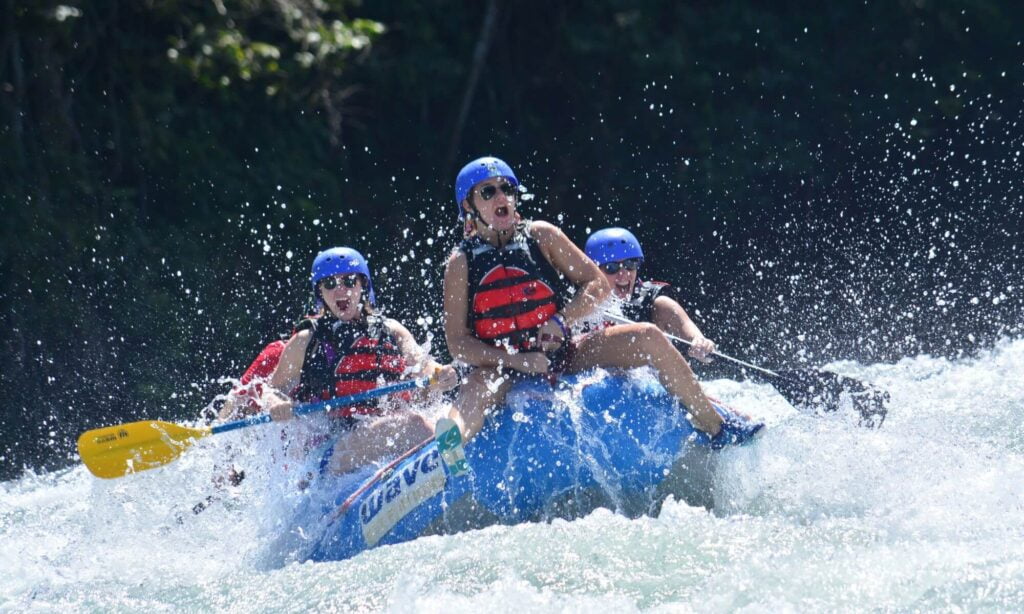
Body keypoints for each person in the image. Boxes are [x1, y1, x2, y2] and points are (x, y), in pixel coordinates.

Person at [443, 156, 759, 448]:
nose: (502, 198)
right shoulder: (460, 264)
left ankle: (717, 428)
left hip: (562, 353)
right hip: (502, 366)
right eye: (488, 192)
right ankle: (446, 451)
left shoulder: (541, 235)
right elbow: (458, 343)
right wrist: (517, 362)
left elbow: (596, 284)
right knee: (475, 389)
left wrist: (561, 320)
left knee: (648, 335)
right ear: (469, 207)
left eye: (507, 189)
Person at [262, 247, 460, 474]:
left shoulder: (391, 329)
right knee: (412, 425)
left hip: (381, 434)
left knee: (444, 416)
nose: (340, 290)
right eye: (329, 284)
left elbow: (422, 363)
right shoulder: (306, 341)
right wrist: (275, 404)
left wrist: (439, 373)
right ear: (320, 293)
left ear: (362, 285)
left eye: (348, 281)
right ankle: (450, 469)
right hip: (330, 452)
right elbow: (271, 390)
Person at [584, 227, 716, 362]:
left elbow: (687, 328)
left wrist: (700, 342)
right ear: (594, 271)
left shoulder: (655, 302)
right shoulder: (582, 302)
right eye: (611, 267)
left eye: (630, 264)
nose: (623, 274)